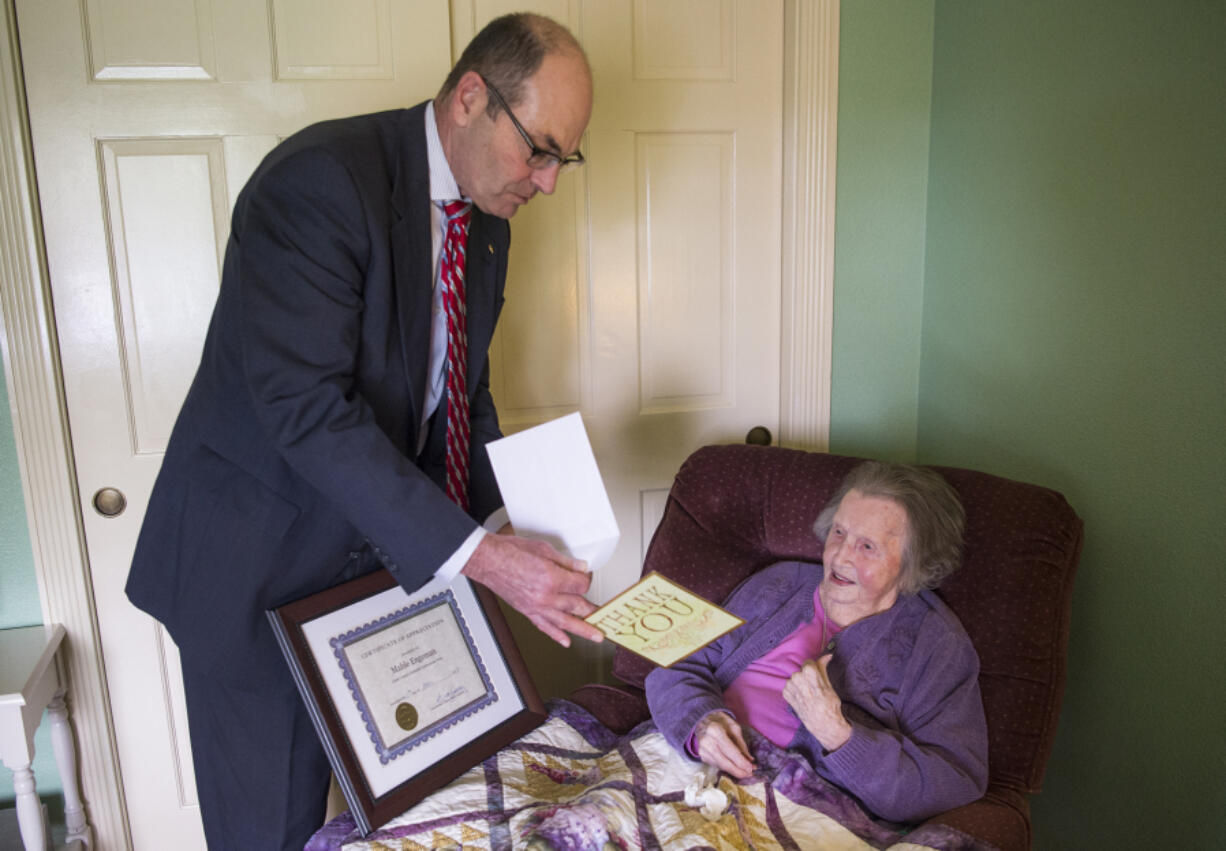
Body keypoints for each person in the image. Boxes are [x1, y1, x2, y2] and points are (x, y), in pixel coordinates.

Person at [125, 13, 603, 850]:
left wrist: (520, 527)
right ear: (469, 98)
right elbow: (306, 411)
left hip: (373, 572)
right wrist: (483, 558)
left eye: (565, 157)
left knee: (404, 814)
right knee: (268, 828)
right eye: (540, 148)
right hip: (255, 572)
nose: (549, 181)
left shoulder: (485, 224)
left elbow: (460, 396)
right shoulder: (319, 182)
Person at [646, 461, 989, 824]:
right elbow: (678, 659)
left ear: (911, 566)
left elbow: (956, 779)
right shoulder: (779, 583)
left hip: (798, 812)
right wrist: (701, 723)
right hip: (689, 765)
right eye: (839, 532)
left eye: (867, 546)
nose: (840, 556)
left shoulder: (935, 645)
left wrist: (838, 734)